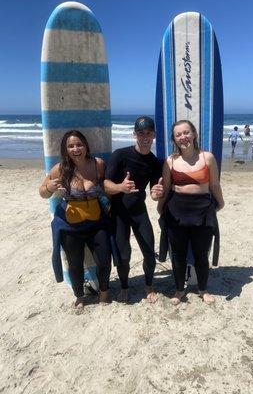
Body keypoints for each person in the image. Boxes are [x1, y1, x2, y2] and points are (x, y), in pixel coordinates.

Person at [39, 130, 112, 310]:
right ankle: (79, 296)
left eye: (79, 144)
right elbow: (42, 192)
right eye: (70, 146)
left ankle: (104, 292)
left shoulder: (98, 164)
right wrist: (48, 187)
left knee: (104, 259)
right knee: (75, 263)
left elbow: (106, 186)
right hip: (70, 225)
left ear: (86, 146)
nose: (75, 149)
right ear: (66, 150)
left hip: (97, 222)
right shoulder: (60, 169)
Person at [158, 120, 224, 305]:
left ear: (194, 134)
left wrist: (220, 202)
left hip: (202, 209)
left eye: (186, 132)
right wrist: (159, 205)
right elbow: (167, 187)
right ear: (174, 139)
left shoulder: (207, 157)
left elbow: (214, 184)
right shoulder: (170, 161)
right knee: (178, 254)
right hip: (176, 210)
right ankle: (179, 290)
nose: (183, 137)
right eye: (178, 135)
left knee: (201, 254)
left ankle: (203, 289)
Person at [104, 116, 164, 303]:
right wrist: (121, 188)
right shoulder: (120, 155)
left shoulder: (155, 162)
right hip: (119, 212)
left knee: (149, 253)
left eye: (148, 133)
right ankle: (124, 287)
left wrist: (157, 193)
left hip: (139, 210)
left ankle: (148, 285)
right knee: (124, 256)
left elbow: (154, 193)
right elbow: (105, 185)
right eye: (141, 133)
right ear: (134, 134)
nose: (145, 137)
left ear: (154, 134)